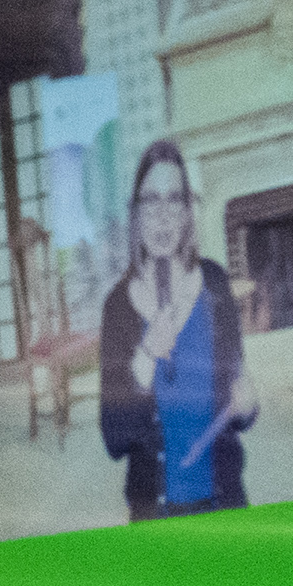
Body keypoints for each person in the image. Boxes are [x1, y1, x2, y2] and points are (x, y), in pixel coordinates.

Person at [95, 136, 256, 515]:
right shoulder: (118, 307)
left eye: (174, 200)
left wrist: (247, 406)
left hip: (225, 500)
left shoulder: (215, 282)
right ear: (135, 214)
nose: (163, 215)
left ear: (187, 212)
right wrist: (146, 357)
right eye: (151, 200)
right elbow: (114, 440)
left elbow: (240, 398)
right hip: (157, 514)